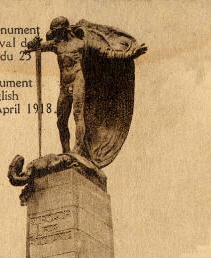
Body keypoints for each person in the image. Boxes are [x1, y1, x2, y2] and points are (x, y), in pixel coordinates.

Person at [26, 17, 147, 156]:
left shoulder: (81, 43)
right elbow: (35, 48)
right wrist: (33, 44)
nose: (55, 35)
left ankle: (77, 149)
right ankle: (66, 151)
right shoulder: (56, 44)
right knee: (61, 120)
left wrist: (130, 54)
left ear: (64, 30)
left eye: (57, 32)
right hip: (64, 85)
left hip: (77, 81)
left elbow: (108, 53)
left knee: (78, 116)